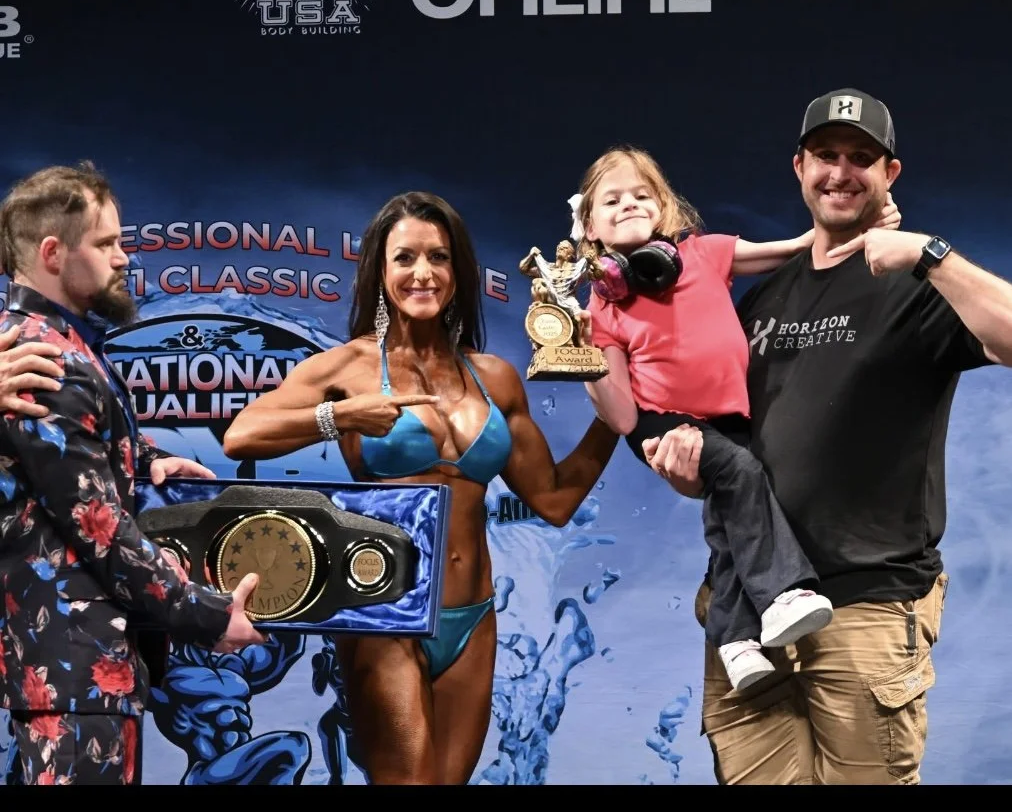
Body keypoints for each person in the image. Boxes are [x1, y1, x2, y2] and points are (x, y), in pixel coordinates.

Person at [642, 88, 1012, 785]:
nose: (841, 171)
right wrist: (685, 466)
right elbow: (728, 444)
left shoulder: (919, 285)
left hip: (865, 607)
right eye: (826, 155)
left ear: (889, 174)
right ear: (799, 167)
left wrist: (929, 253)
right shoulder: (762, 300)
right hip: (751, 613)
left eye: (861, 157)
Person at [221, 190, 620, 785]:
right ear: (381, 273)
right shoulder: (348, 368)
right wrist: (344, 417)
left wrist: (621, 411)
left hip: (474, 616)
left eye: (437, 257)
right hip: (387, 613)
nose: (422, 273)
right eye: (404, 258)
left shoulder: (495, 378)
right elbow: (240, 436)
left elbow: (555, 500)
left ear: (457, 272)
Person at [571, 146, 904, 692]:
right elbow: (622, 414)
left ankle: (735, 639)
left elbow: (799, 249)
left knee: (731, 523)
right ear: (588, 224)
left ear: (662, 207)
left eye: (641, 195)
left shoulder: (704, 253)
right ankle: (782, 595)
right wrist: (584, 355)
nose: (628, 204)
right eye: (612, 200)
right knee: (745, 476)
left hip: (727, 416)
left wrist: (866, 225)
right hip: (664, 422)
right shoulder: (602, 310)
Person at [0, 162, 263, 786]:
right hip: (76, 668)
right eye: (107, 243)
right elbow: (100, 529)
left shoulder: (54, 344)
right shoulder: (46, 360)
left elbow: (69, 457)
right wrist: (209, 616)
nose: (124, 257)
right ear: (53, 253)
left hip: (71, 668)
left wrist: (145, 460)